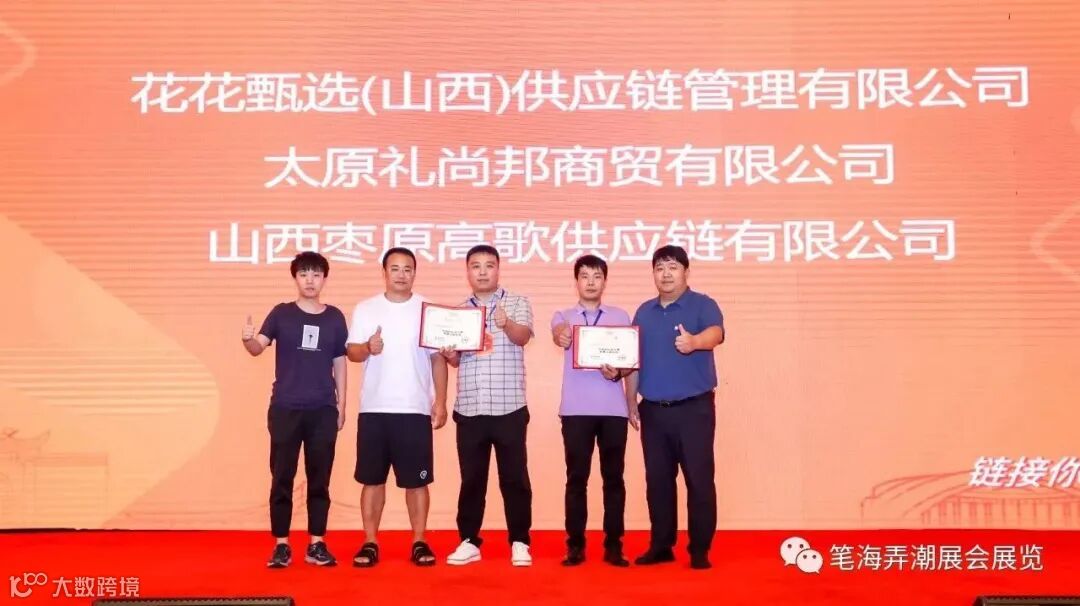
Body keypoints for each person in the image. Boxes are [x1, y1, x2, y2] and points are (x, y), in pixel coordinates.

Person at [603, 244, 725, 570]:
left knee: (699, 479)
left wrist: (695, 342)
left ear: (686, 271)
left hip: (694, 409)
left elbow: (716, 334)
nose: (666, 274)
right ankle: (661, 545)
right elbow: (632, 360)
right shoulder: (644, 312)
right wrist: (628, 395)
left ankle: (699, 549)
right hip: (654, 410)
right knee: (657, 481)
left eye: (673, 267)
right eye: (660, 268)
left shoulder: (703, 304)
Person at [242, 251, 348, 568]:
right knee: (281, 478)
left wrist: (342, 405)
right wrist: (247, 340)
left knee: (320, 479)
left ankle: (317, 543)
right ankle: (281, 545)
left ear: (324, 279)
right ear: (295, 278)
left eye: (316, 274)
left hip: (323, 409)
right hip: (285, 408)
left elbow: (340, 363)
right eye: (304, 274)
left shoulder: (335, 317)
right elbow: (258, 347)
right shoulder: (281, 313)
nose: (310, 280)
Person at [345, 247, 448, 568]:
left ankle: (419, 541)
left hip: (414, 409)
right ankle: (370, 542)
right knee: (372, 480)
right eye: (395, 268)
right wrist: (368, 346)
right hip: (374, 409)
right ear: (384, 272)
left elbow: (437, 359)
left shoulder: (428, 310)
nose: (402, 274)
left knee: (417, 481)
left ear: (414, 273)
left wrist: (441, 401)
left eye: (408, 269)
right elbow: (352, 352)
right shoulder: (366, 308)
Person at [440, 244, 535, 567]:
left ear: (498, 269)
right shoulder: (458, 312)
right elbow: (456, 360)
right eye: (476, 266)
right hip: (470, 408)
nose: (482, 272)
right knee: (472, 480)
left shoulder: (517, 302)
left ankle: (520, 542)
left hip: (509, 408)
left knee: (515, 479)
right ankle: (469, 541)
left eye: (489, 265)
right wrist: (450, 354)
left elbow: (523, 337)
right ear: (468, 271)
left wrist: (506, 323)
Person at [550, 254, 636, 567]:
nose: (590, 282)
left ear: (604, 281)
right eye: (584, 276)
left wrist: (620, 374)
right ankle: (575, 545)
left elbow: (630, 363)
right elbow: (558, 333)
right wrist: (561, 334)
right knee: (576, 479)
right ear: (576, 281)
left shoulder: (621, 316)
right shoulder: (563, 316)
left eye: (597, 276)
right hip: (576, 411)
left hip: (613, 411)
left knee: (614, 479)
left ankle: (614, 545)